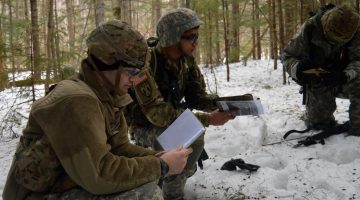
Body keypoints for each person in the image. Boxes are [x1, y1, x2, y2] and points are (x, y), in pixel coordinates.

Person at [2, 20, 193, 200]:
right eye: (132, 72)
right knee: (145, 194)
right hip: (39, 195)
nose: (135, 81)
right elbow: (100, 174)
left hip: (70, 183)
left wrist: (158, 158)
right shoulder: (77, 100)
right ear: (106, 63)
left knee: (147, 176)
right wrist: (161, 165)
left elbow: (119, 148)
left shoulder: (107, 96)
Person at [127, 8, 240, 200]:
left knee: (191, 138)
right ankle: (173, 194)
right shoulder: (146, 65)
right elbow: (158, 113)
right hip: (143, 127)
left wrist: (220, 104)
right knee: (191, 136)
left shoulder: (186, 62)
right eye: (191, 37)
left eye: (197, 36)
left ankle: (167, 178)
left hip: (167, 123)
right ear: (173, 37)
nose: (196, 42)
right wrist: (208, 119)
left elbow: (196, 97)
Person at [281, 4, 360, 136]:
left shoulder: (357, 30)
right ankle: (316, 117)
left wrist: (345, 75)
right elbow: (287, 56)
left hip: (346, 77)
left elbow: (358, 59)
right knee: (318, 124)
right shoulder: (310, 29)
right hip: (319, 80)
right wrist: (298, 69)